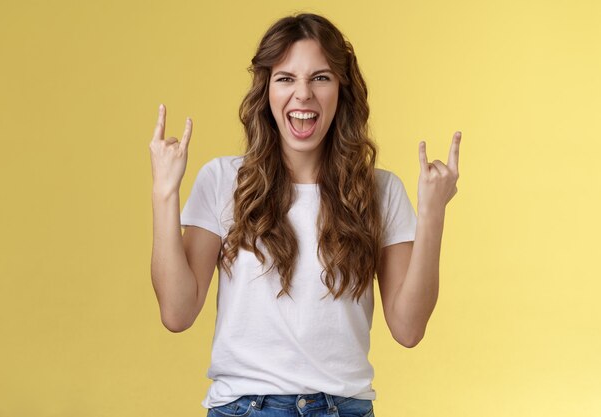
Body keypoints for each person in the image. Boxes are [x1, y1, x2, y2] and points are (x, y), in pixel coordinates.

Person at [149, 13, 461, 417]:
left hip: (344, 408)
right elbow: (176, 312)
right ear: (266, 92)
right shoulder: (223, 180)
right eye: (285, 78)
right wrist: (163, 192)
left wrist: (433, 213)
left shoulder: (380, 191)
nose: (303, 95)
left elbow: (408, 329)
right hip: (245, 406)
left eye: (320, 77)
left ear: (341, 90)